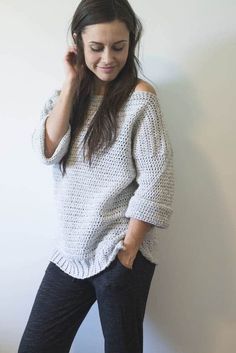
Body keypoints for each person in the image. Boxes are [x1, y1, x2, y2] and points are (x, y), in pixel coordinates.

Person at [18, 0, 175, 352]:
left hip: (119, 251)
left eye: (119, 47)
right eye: (96, 47)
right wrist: (72, 81)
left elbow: (157, 179)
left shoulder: (140, 99)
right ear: (78, 43)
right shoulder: (64, 98)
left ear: (131, 43)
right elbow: (47, 150)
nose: (108, 58)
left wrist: (129, 249)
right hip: (70, 251)